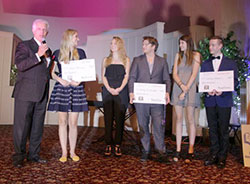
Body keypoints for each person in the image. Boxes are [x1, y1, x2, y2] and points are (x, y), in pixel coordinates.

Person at [12, 19, 52, 168]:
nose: (42, 32)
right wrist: (37, 55)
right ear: (33, 30)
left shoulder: (48, 49)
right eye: (39, 29)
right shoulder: (24, 45)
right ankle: (18, 157)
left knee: (37, 126)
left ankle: (34, 155)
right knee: (21, 127)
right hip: (25, 93)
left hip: (42, 93)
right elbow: (20, 65)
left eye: (44, 30)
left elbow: (45, 71)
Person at [47, 29, 88, 162]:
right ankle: (64, 152)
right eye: (76, 37)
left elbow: (86, 71)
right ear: (69, 38)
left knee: (73, 122)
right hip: (62, 88)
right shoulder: (57, 53)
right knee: (62, 121)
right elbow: (51, 72)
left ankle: (73, 152)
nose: (78, 39)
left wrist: (79, 81)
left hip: (76, 89)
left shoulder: (81, 53)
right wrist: (60, 80)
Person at [128, 36, 171, 162]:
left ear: (153, 46)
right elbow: (132, 78)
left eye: (146, 44)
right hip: (142, 99)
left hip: (157, 100)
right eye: (143, 44)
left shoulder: (162, 61)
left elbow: (167, 79)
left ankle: (160, 151)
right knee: (143, 125)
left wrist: (167, 92)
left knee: (158, 125)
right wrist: (131, 92)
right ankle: (145, 150)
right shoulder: (137, 60)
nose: (143, 46)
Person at [201, 36, 238, 169]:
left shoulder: (230, 63)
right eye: (210, 45)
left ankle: (223, 156)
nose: (210, 48)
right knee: (213, 129)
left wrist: (223, 90)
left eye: (213, 45)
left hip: (224, 100)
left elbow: (235, 81)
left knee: (223, 129)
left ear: (220, 46)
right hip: (210, 101)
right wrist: (207, 91)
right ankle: (214, 154)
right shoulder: (205, 64)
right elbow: (203, 82)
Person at [171, 35, 201, 163]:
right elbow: (174, 73)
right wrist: (181, 86)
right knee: (178, 119)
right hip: (178, 88)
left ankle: (191, 149)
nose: (180, 45)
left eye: (182, 43)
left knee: (190, 119)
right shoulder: (178, 55)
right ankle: (178, 149)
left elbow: (194, 74)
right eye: (180, 43)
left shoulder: (196, 55)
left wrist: (186, 89)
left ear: (188, 43)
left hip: (191, 89)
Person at [102, 36, 130, 157]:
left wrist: (119, 89)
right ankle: (108, 144)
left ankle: (118, 144)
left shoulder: (126, 60)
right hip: (108, 91)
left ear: (119, 45)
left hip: (121, 91)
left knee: (119, 119)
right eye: (111, 43)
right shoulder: (106, 60)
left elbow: (126, 77)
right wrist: (109, 89)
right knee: (108, 119)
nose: (111, 45)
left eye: (114, 43)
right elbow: (103, 76)